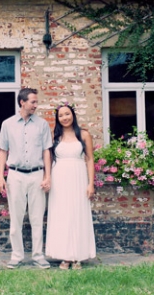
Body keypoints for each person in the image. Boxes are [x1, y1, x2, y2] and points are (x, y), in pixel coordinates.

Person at [0, 88, 53, 269]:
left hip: (37, 174)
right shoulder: (8, 124)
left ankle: (38, 255)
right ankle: (17, 255)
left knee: (37, 218)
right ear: (22, 102)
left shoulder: (42, 124)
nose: (36, 105)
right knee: (16, 218)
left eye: (36, 102)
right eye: (33, 102)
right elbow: (3, 150)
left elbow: (46, 150)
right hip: (15, 175)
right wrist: (0, 177)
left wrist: (47, 176)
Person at [45, 102, 96, 269]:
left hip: (78, 177)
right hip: (59, 179)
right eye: (61, 116)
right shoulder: (55, 137)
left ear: (72, 115)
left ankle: (78, 256)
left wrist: (91, 184)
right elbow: (49, 159)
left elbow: (89, 159)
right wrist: (48, 178)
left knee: (77, 213)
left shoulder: (83, 134)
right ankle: (65, 256)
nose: (64, 118)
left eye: (67, 114)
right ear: (57, 119)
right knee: (62, 215)